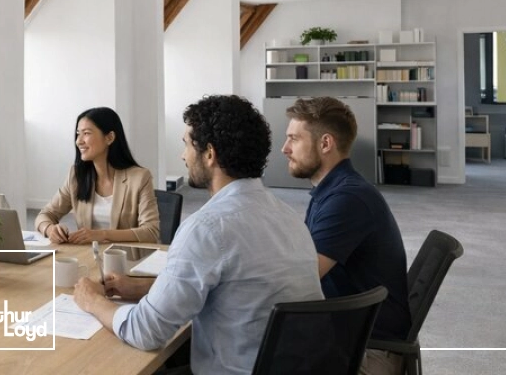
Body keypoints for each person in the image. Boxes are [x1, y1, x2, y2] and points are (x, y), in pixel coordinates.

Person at [74, 95, 322, 374]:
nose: (183, 156)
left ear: (209, 154)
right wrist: (145, 288)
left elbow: (145, 331)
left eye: (186, 145)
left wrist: (92, 300)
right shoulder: (289, 216)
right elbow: (234, 285)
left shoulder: (206, 228)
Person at [283, 96, 411, 374]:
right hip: (348, 331)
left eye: (294, 139)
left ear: (325, 143)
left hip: (367, 350)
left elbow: (301, 277)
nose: (285, 148)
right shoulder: (333, 190)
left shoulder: (347, 199)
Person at [35, 107, 160, 244]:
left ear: (110, 138)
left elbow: (151, 231)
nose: (78, 141)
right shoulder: (77, 176)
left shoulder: (140, 177)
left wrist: (102, 234)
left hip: (125, 260)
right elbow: (45, 215)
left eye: (86, 133)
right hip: (87, 258)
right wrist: (50, 229)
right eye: (78, 134)